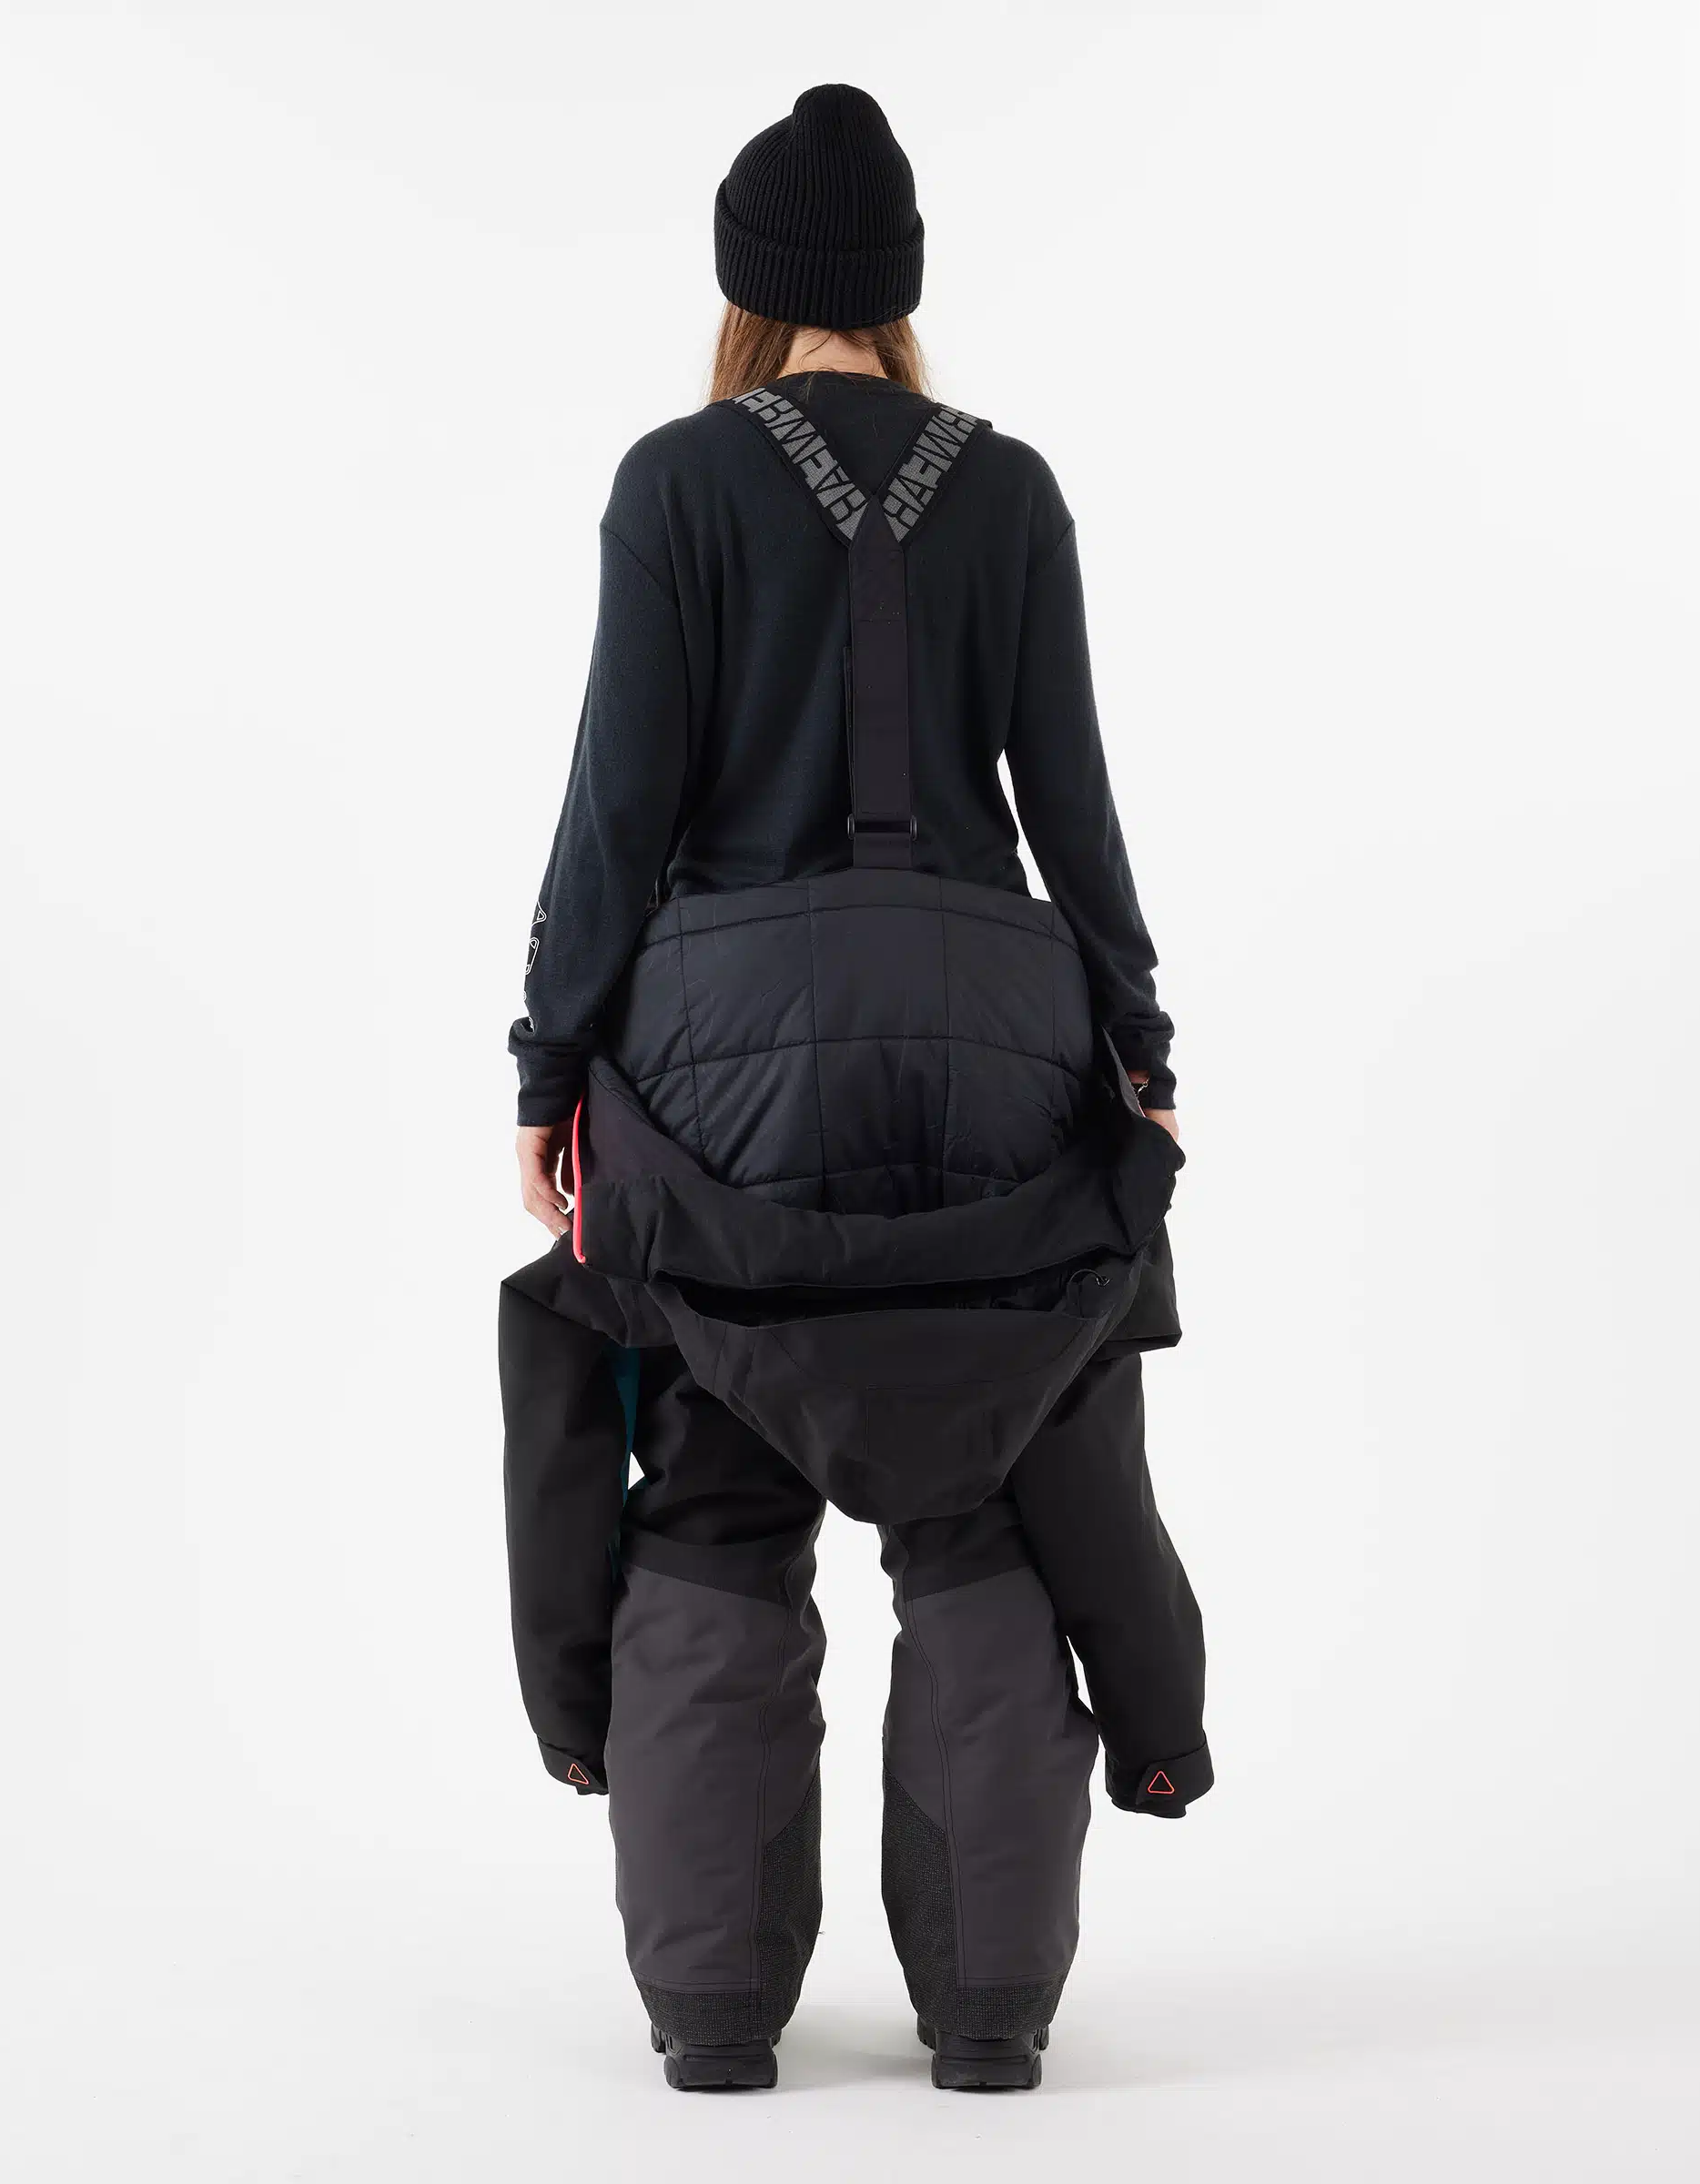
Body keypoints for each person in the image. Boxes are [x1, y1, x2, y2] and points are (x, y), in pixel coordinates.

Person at [501, 84, 1209, 2094]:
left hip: (724, 1063)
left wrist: (550, 1063)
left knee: (721, 1486)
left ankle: (715, 2014)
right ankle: (989, 2016)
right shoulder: (1013, 489)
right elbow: (1069, 806)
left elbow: (618, 811)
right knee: (980, 1486)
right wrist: (1138, 1048)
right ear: (898, 285)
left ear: (746, 282)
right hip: (993, 1042)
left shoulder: (677, 484)